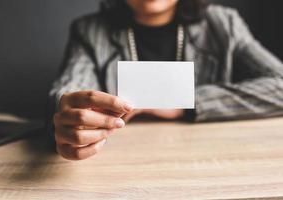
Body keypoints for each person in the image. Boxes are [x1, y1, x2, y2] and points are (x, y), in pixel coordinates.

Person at [49, 0, 283, 160]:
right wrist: (69, 111)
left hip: (207, 156)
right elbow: (69, 89)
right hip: (119, 157)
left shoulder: (224, 23)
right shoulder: (89, 29)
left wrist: (188, 104)